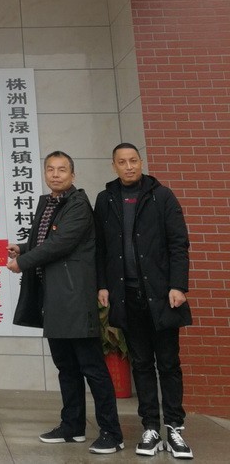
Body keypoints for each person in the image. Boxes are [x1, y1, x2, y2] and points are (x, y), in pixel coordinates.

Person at [8, 150, 124, 455]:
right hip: (54, 298)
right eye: (51, 169)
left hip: (74, 297)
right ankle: (72, 426)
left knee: (92, 367)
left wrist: (23, 262)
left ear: (73, 174)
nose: (56, 174)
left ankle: (112, 433)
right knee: (66, 367)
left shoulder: (78, 205)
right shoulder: (48, 203)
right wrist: (21, 249)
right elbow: (43, 240)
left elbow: (60, 244)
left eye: (62, 169)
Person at [94, 143, 193, 459]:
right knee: (141, 364)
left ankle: (174, 428)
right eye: (122, 162)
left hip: (163, 296)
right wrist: (103, 285)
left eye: (133, 161)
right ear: (114, 166)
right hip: (127, 297)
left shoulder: (162, 196)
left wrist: (178, 285)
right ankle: (150, 427)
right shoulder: (106, 199)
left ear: (141, 162)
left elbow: (179, 244)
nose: (129, 167)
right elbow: (101, 249)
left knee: (168, 363)